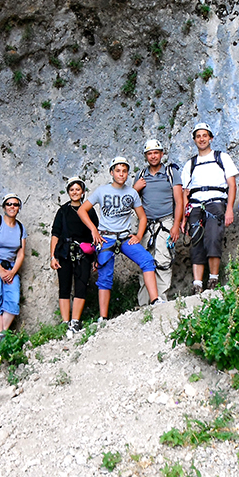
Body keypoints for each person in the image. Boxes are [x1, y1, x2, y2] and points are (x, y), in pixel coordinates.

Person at [78, 156, 164, 323]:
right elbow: (82, 210)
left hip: (124, 237)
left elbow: (142, 217)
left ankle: (155, 300)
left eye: (124, 171)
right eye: (118, 171)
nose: (121, 174)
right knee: (105, 276)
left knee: (147, 260)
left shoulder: (132, 193)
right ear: (112, 173)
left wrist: (138, 236)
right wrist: (94, 230)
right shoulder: (102, 191)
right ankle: (103, 318)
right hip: (106, 238)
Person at [180, 123, 238, 294]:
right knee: (196, 241)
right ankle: (197, 283)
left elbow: (232, 185)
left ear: (211, 138)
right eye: (198, 136)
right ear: (194, 140)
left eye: (205, 135)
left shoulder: (222, 157)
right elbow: (185, 193)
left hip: (216, 202)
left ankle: (213, 279)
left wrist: (229, 209)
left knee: (213, 238)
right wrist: (184, 218)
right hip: (195, 205)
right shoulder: (190, 164)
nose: (202, 139)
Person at [132, 139, 184, 304]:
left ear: (162, 154)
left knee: (163, 262)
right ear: (145, 156)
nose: (153, 156)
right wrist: (135, 189)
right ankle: (144, 305)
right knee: (144, 262)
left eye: (156, 153)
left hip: (166, 222)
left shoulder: (171, 173)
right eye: (150, 153)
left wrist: (176, 225)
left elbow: (179, 201)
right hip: (146, 225)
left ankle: (161, 303)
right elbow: (130, 201)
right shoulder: (141, 175)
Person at [50, 177, 98, 336]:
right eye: (72, 190)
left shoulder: (89, 211)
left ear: (83, 192)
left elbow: (95, 234)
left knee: (81, 285)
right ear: (68, 192)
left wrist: (96, 258)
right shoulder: (63, 211)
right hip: (64, 252)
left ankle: (75, 321)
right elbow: (55, 234)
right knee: (64, 286)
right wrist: (52, 256)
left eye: (78, 189)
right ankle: (65, 322)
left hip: (83, 253)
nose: (75, 192)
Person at [0, 193, 27, 338]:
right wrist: (0, 270)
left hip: (10, 267)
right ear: (4, 207)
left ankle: (0, 334)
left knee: (13, 299)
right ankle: (1, 336)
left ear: (19, 208)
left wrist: (12, 272)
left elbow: (21, 253)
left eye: (15, 204)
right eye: (9, 204)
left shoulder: (20, 228)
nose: (12, 207)